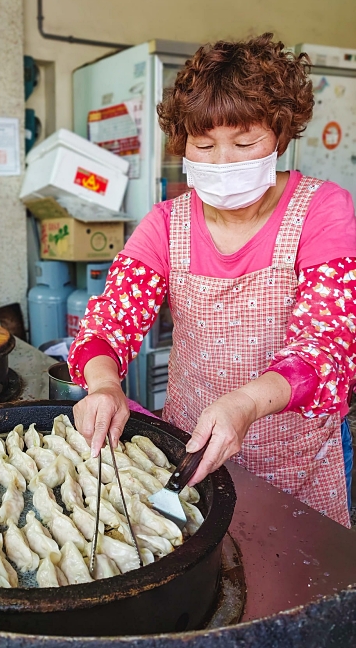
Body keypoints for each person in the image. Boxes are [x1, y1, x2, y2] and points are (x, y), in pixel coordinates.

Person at [68, 33, 356, 528]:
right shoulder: (165, 223)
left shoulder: (322, 209)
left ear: (280, 135)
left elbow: (325, 348)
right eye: (204, 145)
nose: (224, 162)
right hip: (190, 456)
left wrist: (245, 404)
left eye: (245, 143)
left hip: (296, 464)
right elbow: (108, 326)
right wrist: (103, 385)